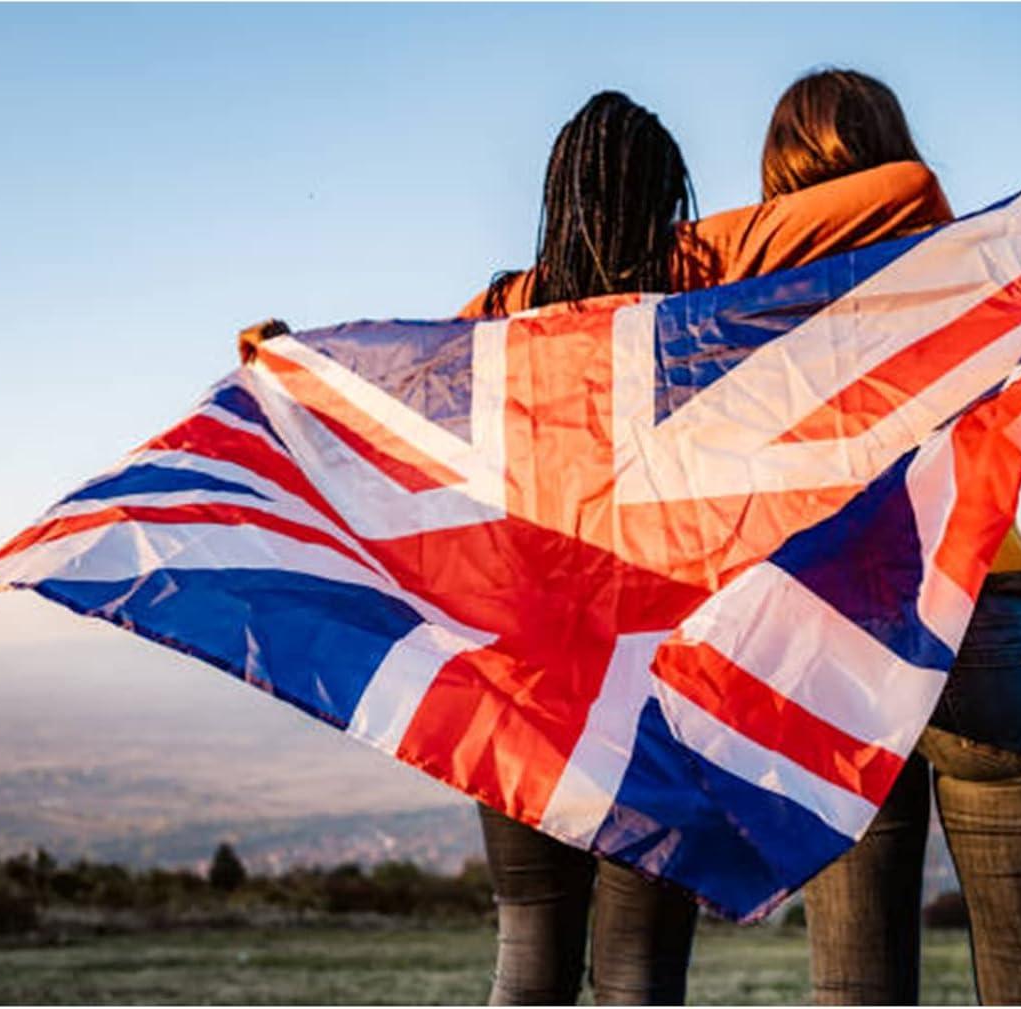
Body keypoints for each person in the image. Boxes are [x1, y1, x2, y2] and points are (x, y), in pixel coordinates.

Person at [237, 88, 954, 1005]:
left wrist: (294, 360)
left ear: (555, 194)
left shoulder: (498, 314)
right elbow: (905, 188)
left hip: (521, 679)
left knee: (529, 957)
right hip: (646, 684)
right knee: (638, 976)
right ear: (669, 196)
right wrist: (687, 232)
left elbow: (382, 401)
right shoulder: (697, 279)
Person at [758, 68, 1021, 1006]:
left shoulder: (744, 311)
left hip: (829, 646)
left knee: (855, 988)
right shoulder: (963, 282)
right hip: (986, 624)